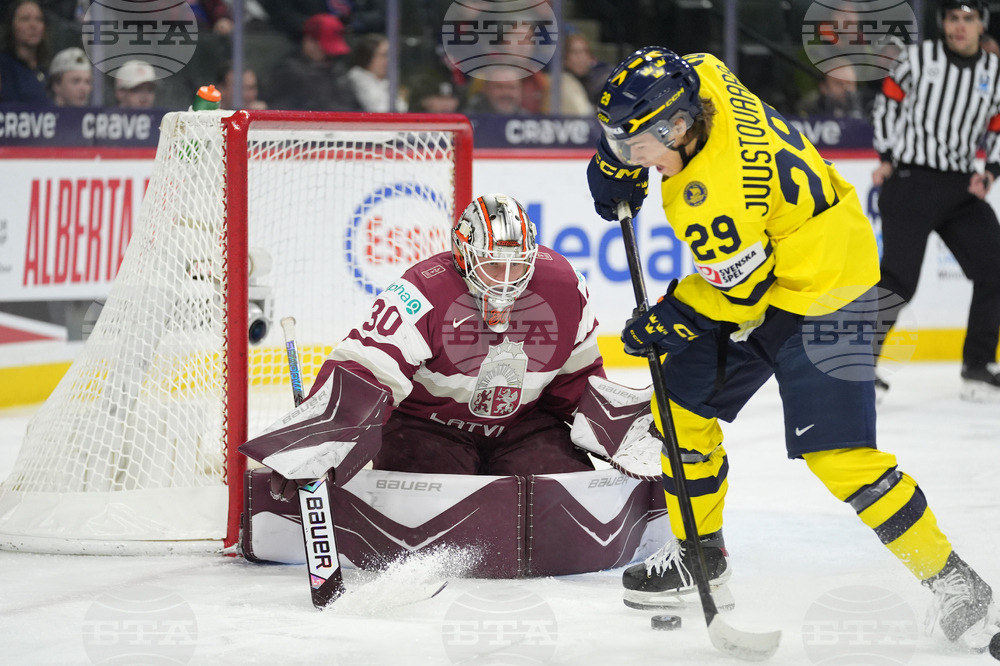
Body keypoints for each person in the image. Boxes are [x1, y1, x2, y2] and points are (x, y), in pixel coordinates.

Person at [587, 46, 1000, 650]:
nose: (629, 156)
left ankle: (953, 579)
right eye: (619, 142)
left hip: (831, 291)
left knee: (841, 458)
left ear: (677, 127)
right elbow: (689, 61)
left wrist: (674, 316)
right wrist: (616, 158)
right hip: (781, 258)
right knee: (678, 409)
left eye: (635, 146)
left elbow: (742, 294)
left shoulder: (713, 198)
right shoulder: (702, 81)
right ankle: (702, 557)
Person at [273, 193, 604, 481]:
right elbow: (369, 367)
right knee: (426, 503)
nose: (505, 281)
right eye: (492, 265)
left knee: (566, 493)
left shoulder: (564, 286)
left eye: (515, 266)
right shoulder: (422, 290)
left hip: (522, 426)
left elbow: (579, 380)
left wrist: (616, 435)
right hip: (427, 427)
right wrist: (323, 436)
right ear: (463, 255)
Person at [871, 0, 1000, 401]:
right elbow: (887, 103)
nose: (960, 27)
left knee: (995, 268)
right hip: (911, 179)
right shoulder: (918, 57)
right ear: (943, 23)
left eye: (969, 19)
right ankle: (857, 371)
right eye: (953, 19)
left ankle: (976, 367)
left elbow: (998, 123)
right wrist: (888, 157)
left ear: (982, 25)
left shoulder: (994, 72)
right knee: (899, 280)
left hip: (960, 187)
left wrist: (991, 170)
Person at [266, 13, 359, 111]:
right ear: (309, 41)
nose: (330, 56)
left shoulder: (337, 68)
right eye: (325, 50)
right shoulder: (288, 72)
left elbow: (354, 105)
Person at [0, 0, 49, 104]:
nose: (33, 25)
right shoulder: (3, 67)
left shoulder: (45, 70)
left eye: (39, 19)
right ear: (11, 26)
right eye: (25, 19)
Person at [347, 34, 407, 112]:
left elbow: (402, 108)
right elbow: (379, 111)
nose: (389, 61)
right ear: (367, 57)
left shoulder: (386, 80)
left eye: (391, 55)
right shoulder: (357, 77)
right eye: (383, 55)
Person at [796, 69, 865, 119]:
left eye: (849, 83)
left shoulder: (869, 108)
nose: (845, 88)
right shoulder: (810, 110)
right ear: (824, 87)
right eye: (838, 83)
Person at [463, 78, 528, 115]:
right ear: (486, 89)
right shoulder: (470, 117)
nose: (506, 93)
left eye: (512, 88)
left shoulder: (527, 119)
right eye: (499, 87)